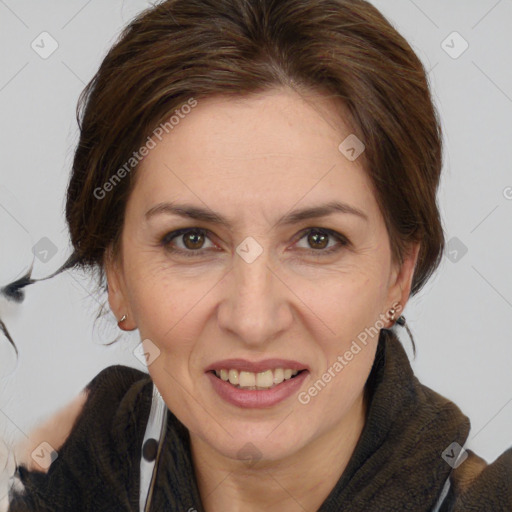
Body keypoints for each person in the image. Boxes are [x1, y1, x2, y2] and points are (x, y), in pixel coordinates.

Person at [2, 0, 511, 510]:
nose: (252, 320)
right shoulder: (45, 478)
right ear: (116, 275)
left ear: (400, 274)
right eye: (192, 239)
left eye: (317, 239)